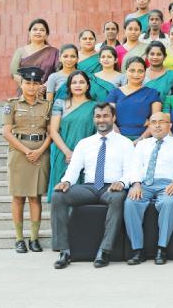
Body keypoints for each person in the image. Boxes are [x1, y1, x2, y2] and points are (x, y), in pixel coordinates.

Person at [51, 102, 132, 269]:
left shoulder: (125, 143)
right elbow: (74, 169)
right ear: (94, 119)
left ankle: (105, 250)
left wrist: (122, 183)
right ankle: (64, 251)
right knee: (58, 196)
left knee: (118, 198)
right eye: (98, 116)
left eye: (105, 116)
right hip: (88, 187)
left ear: (113, 117)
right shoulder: (84, 143)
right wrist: (66, 182)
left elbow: (131, 170)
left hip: (111, 187)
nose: (101, 120)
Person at [123, 112, 173, 265]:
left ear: (169, 125)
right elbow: (134, 166)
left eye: (162, 122)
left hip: (167, 184)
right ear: (149, 126)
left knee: (168, 203)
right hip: (144, 184)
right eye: (153, 122)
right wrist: (136, 184)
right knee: (131, 202)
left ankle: (161, 248)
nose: (157, 125)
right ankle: (137, 249)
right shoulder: (142, 145)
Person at [3, 67, 52, 254]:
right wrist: (26, 150)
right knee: (17, 197)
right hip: (18, 152)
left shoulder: (47, 105)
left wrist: (39, 151)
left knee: (35, 196)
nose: (31, 87)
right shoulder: (12, 104)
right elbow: (7, 132)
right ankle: (19, 238)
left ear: (40, 85)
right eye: (28, 83)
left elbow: (50, 132)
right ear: (21, 84)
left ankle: (34, 238)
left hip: (40, 152)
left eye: (35, 83)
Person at [48, 71, 96, 203]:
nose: (78, 85)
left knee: (81, 194)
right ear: (69, 86)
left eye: (81, 82)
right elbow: (53, 130)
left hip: (86, 155)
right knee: (60, 192)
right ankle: (60, 223)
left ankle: (79, 224)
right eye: (74, 82)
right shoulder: (60, 103)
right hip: (63, 153)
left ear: (88, 85)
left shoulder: (95, 106)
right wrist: (67, 152)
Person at [106, 57, 162, 141]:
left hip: (144, 141)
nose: (136, 74)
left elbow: (156, 122)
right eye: (132, 70)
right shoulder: (114, 93)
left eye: (140, 71)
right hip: (117, 140)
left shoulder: (152, 93)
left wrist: (139, 140)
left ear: (145, 73)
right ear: (125, 72)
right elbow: (109, 119)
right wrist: (121, 140)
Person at [10, 19, 59, 97]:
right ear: (29, 33)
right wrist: (30, 87)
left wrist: (44, 87)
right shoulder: (20, 51)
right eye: (35, 29)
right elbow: (14, 74)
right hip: (24, 94)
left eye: (42, 30)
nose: (38, 32)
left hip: (45, 94)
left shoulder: (54, 52)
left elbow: (58, 73)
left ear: (46, 34)